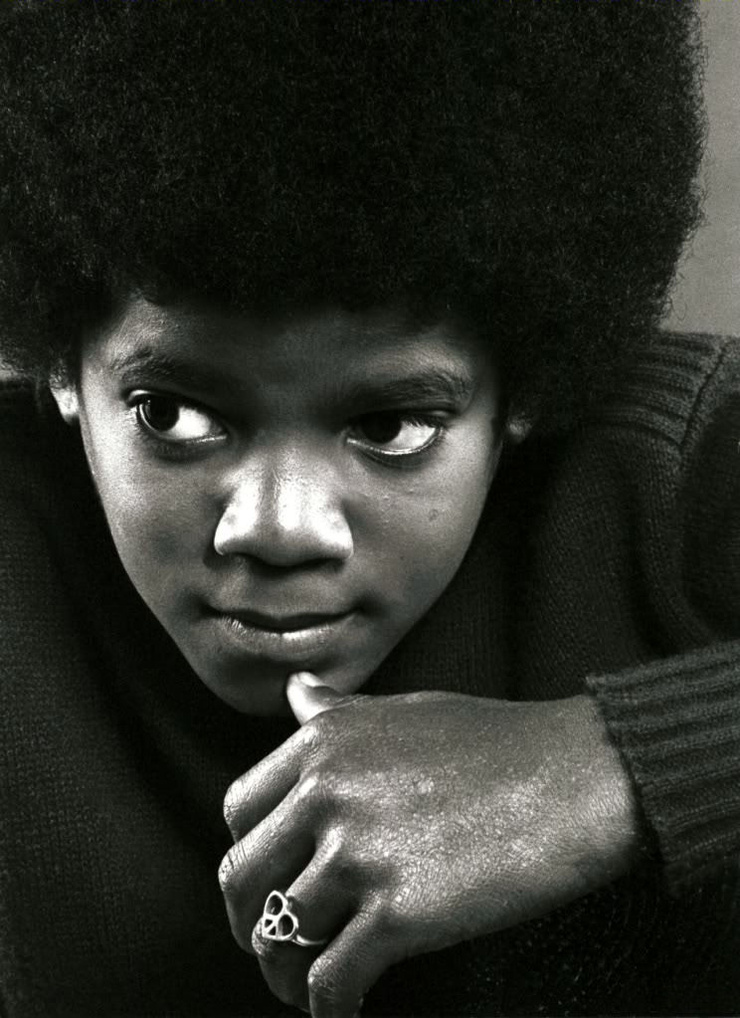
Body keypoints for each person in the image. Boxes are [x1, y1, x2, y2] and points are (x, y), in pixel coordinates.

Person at [0, 1, 738, 1015]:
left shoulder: (675, 470)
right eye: (172, 414)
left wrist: (614, 763)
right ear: (61, 367)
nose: (278, 528)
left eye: (389, 426)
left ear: (522, 386)